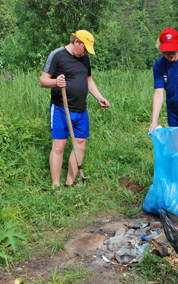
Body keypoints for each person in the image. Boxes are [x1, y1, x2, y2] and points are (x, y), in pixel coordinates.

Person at [39, 30, 110, 189]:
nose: (85, 53)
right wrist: (56, 82)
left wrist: (99, 97)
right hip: (60, 109)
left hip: (81, 109)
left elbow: (88, 79)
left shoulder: (84, 58)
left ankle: (70, 182)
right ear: (76, 42)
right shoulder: (57, 55)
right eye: (84, 48)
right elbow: (42, 81)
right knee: (59, 146)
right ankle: (55, 186)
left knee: (80, 142)